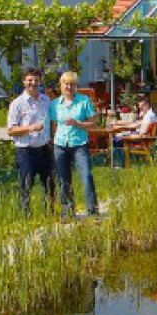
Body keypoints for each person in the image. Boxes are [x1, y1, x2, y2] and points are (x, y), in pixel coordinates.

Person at [50, 71, 99, 218]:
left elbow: (94, 124)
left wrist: (78, 123)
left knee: (86, 176)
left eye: (72, 84)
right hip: (60, 145)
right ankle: (67, 211)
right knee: (63, 179)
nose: (69, 87)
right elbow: (53, 125)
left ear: (76, 86)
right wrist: (53, 141)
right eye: (66, 84)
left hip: (79, 144)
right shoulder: (55, 104)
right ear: (61, 86)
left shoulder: (84, 101)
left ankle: (92, 210)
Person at [6, 67, 54, 215]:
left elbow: (51, 121)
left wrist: (52, 139)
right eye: (30, 80)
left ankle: (50, 214)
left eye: (36, 80)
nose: (33, 83)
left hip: (45, 149)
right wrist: (31, 128)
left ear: (40, 82)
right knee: (26, 185)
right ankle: (26, 218)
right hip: (26, 151)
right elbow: (11, 130)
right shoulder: (17, 104)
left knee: (50, 184)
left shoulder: (46, 100)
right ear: (24, 82)